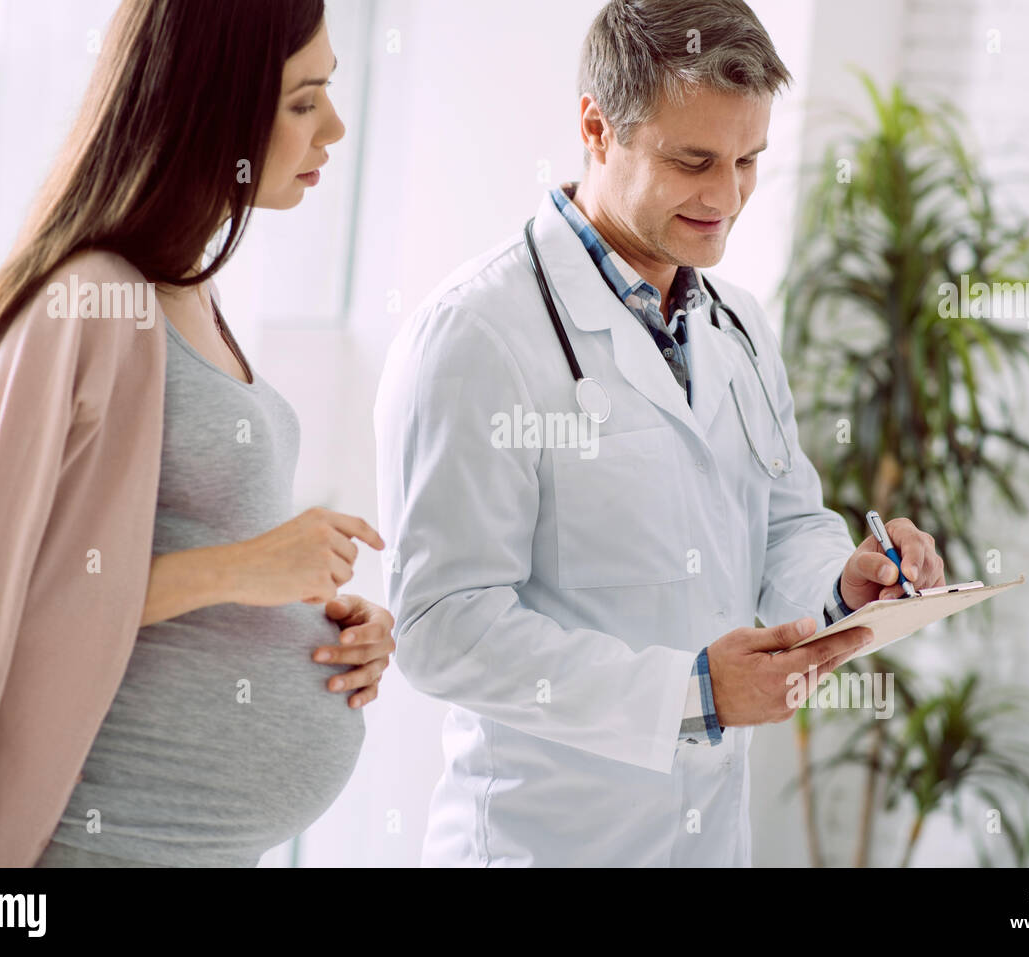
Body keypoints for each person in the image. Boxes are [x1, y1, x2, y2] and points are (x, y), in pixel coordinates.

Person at [373, 0, 946, 866]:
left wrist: (844, 584)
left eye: (749, 160)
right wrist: (689, 693)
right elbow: (443, 625)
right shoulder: (480, 334)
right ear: (597, 128)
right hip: (545, 843)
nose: (726, 197)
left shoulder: (739, 326)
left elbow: (784, 526)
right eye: (694, 161)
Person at [0, 0, 393, 867]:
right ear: (216, 105)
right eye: (305, 101)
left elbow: (156, 559)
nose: (335, 129)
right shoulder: (88, 299)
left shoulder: (189, 291)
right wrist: (247, 568)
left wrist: (319, 620)